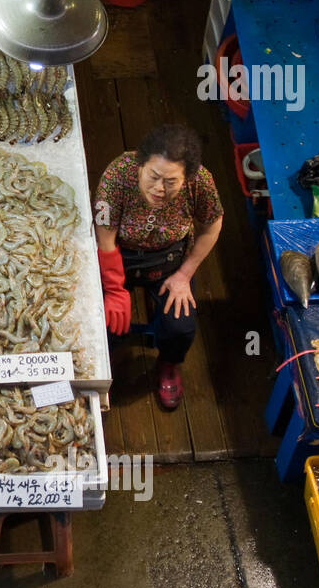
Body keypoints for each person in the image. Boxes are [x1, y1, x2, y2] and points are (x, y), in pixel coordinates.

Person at [94, 124, 223, 410]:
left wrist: (184, 274)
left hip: (169, 260)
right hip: (119, 254)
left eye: (170, 181)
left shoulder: (200, 181)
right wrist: (115, 289)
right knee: (103, 326)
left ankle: (168, 364)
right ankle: (105, 366)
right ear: (141, 165)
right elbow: (104, 234)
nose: (159, 189)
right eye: (153, 176)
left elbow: (213, 225)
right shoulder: (117, 175)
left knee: (180, 326)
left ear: (186, 177)